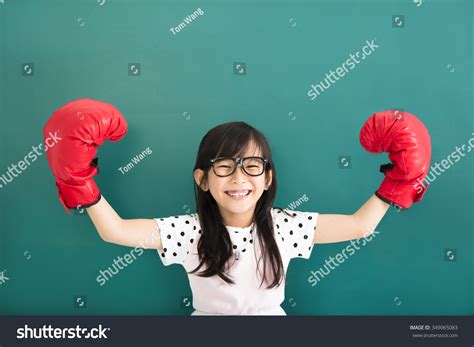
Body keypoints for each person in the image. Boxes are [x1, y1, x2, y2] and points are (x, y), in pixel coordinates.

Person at [43, 98, 432, 315]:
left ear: (267, 179)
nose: (238, 178)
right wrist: (78, 182)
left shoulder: (285, 226)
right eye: (224, 167)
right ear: (203, 180)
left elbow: (359, 225)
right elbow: (115, 231)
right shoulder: (188, 231)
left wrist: (398, 182)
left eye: (251, 167)